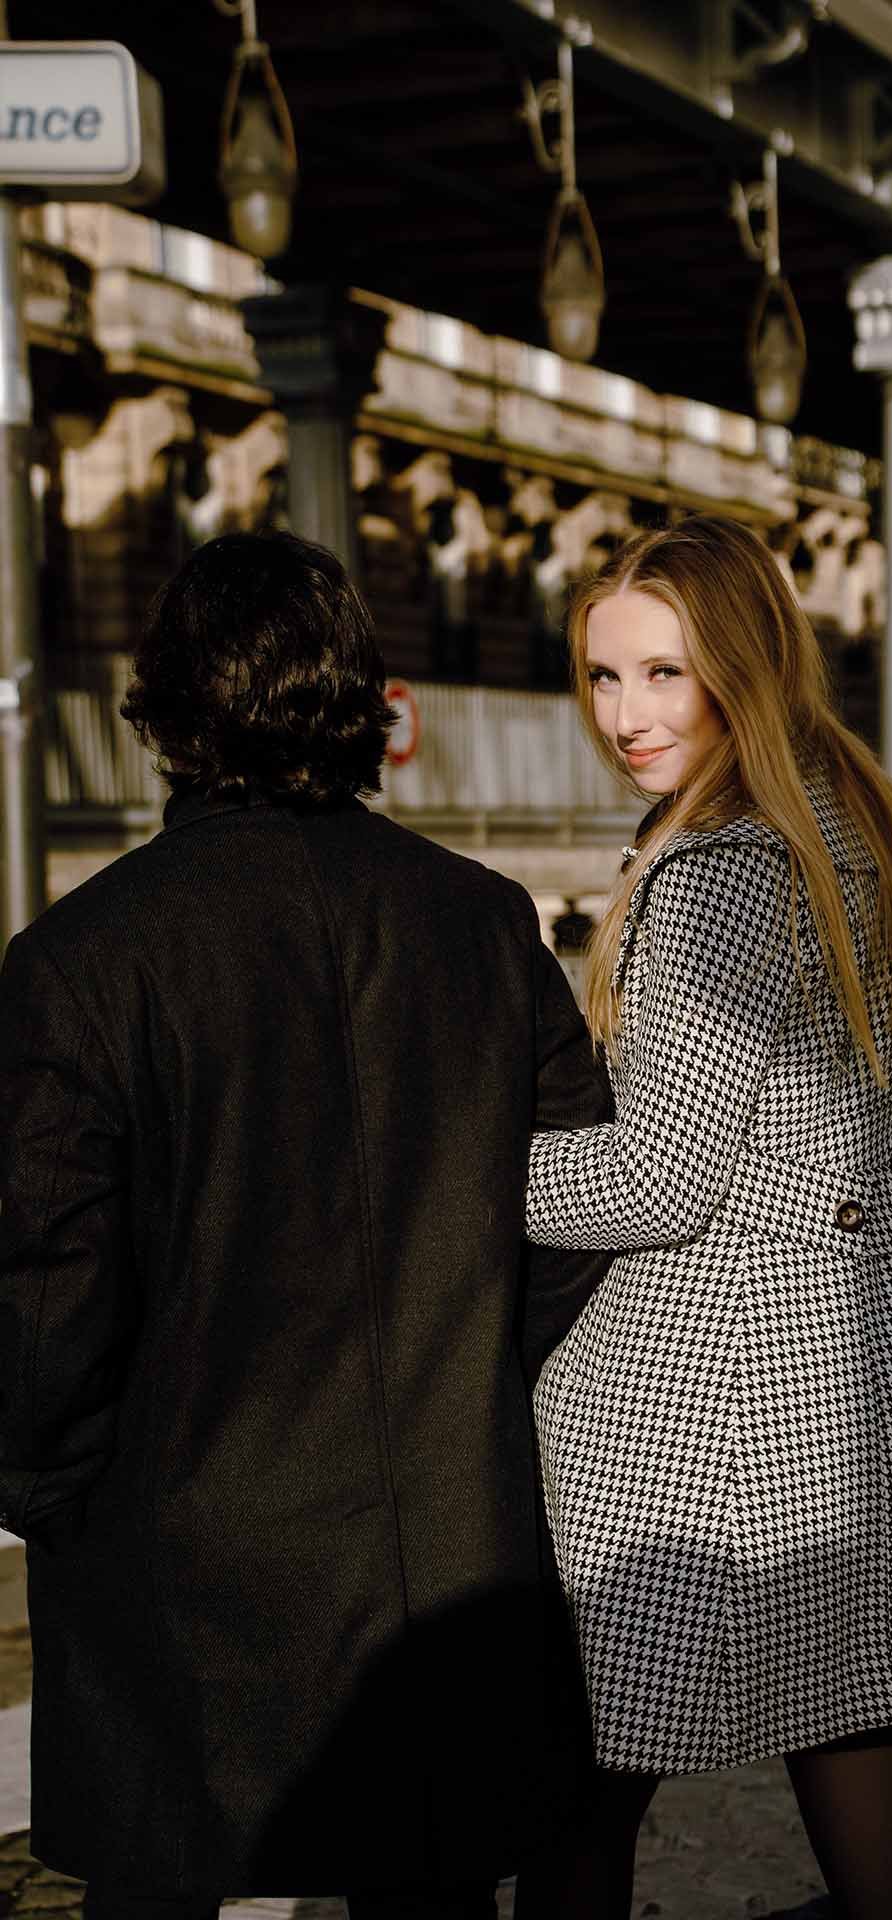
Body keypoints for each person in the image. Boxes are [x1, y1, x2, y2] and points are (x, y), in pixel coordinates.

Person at [0, 532, 612, 1920]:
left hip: (178, 1537)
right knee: (431, 1885)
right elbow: (579, 1201)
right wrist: (469, 1383)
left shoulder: (81, 961)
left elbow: (46, 1277)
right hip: (440, 1537)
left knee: (161, 1887)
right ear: (364, 706)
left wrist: (47, 1482)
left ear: (158, 711)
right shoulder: (477, 920)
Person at [516, 514, 892, 1920]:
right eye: (602, 677)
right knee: (876, 1789)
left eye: (664, 677)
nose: (627, 716)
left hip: (707, 1387)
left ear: (739, 669)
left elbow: (655, 1179)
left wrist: (459, 1174)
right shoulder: (845, 821)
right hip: (861, 1346)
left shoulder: (720, 878)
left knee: (581, 1779)